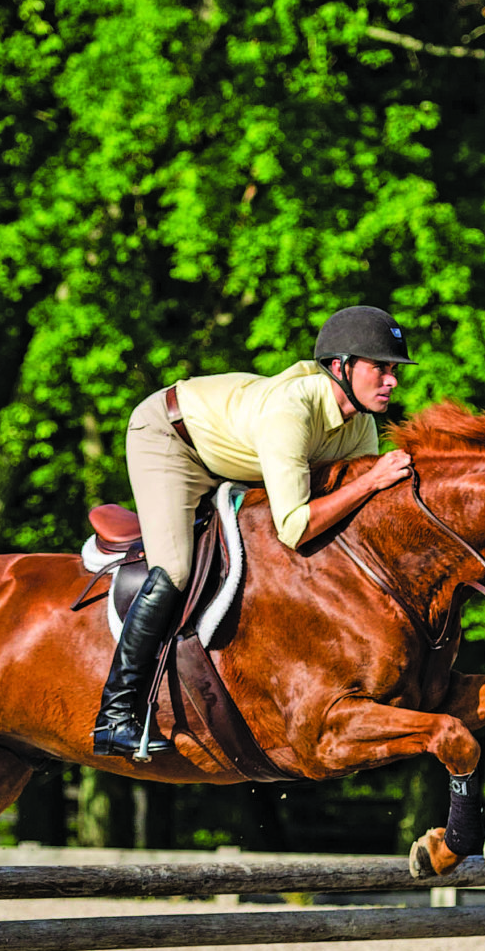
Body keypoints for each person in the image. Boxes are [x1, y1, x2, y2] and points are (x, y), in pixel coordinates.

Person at [94, 305, 419, 757]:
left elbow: (351, 521)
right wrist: (371, 480)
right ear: (341, 367)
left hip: (229, 455)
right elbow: (295, 527)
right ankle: (115, 714)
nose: (393, 381)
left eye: (394, 370)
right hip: (172, 440)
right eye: (381, 368)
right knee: (176, 569)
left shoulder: (359, 423)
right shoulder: (292, 410)